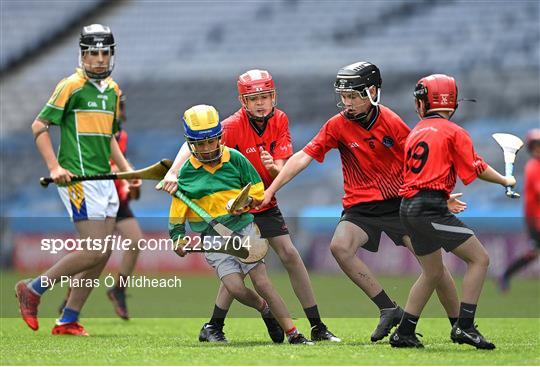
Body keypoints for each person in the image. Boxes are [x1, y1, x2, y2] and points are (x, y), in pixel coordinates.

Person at [258, 62, 462, 342]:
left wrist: (440, 194)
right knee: (340, 247)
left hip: (400, 203)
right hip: (360, 207)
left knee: (435, 269)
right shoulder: (337, 125)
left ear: (373, 91)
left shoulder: (391, 121)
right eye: (343, 96)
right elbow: (303, 157)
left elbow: (420, 161)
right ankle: (388, 308)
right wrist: (271, 190)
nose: (347, 103)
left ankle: (459, 325)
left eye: (353, 96)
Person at [160, 70, 339, 343]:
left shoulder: (280, 119)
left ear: (274, 96)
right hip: (231, 212)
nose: (260, 103)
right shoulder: (230, 126)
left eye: (265, 96)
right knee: (236, 271)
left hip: (262, 200)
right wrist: (173, 171)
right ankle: (217, 326)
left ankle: (316, 326)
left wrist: (273, 170)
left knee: (288, 255)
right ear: (243, 101)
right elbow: (196, 141)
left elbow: (282, 165)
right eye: (253, 98)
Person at [16, 24, 140, 336]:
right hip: (77, 179)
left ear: (112, 55)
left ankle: (68, 319)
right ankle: (33, 289)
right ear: (82, 55)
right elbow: (39, 126)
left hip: (106, 180)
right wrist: (55, 166)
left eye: (104, 52)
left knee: (103, 252)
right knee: (96, 248)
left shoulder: (112, 90)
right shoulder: (70, 86)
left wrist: (128, 171)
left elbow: (110, 137)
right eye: (92, 53)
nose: (99, 59)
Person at [388, 74, 516, 349]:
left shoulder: (416, 131)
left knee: (433, 273)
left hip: (408, 207)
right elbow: (477, 167)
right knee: (480, 259)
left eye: (420, 99)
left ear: (429, 101)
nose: (417, 105)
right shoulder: (454, 131)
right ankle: (465, 327)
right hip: (428, 208)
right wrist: (506, 180)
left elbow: (420, 174)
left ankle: (404, 332)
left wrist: (441, 196)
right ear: (451, 101)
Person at [58, 92, 144, 320]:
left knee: (135, 240)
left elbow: (119, 166)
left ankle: (118, 289)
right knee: (95, 253)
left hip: (116, 198)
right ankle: (70, 300)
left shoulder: (121, 135)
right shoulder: (90, 132)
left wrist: (131, 179)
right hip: (97, 197)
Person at [498, 128, 540, 291]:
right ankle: (506, 275)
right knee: (533, 252)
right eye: (535, 146)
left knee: (533, 252)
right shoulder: (533, 167)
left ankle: (506, 275)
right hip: (535, 219)